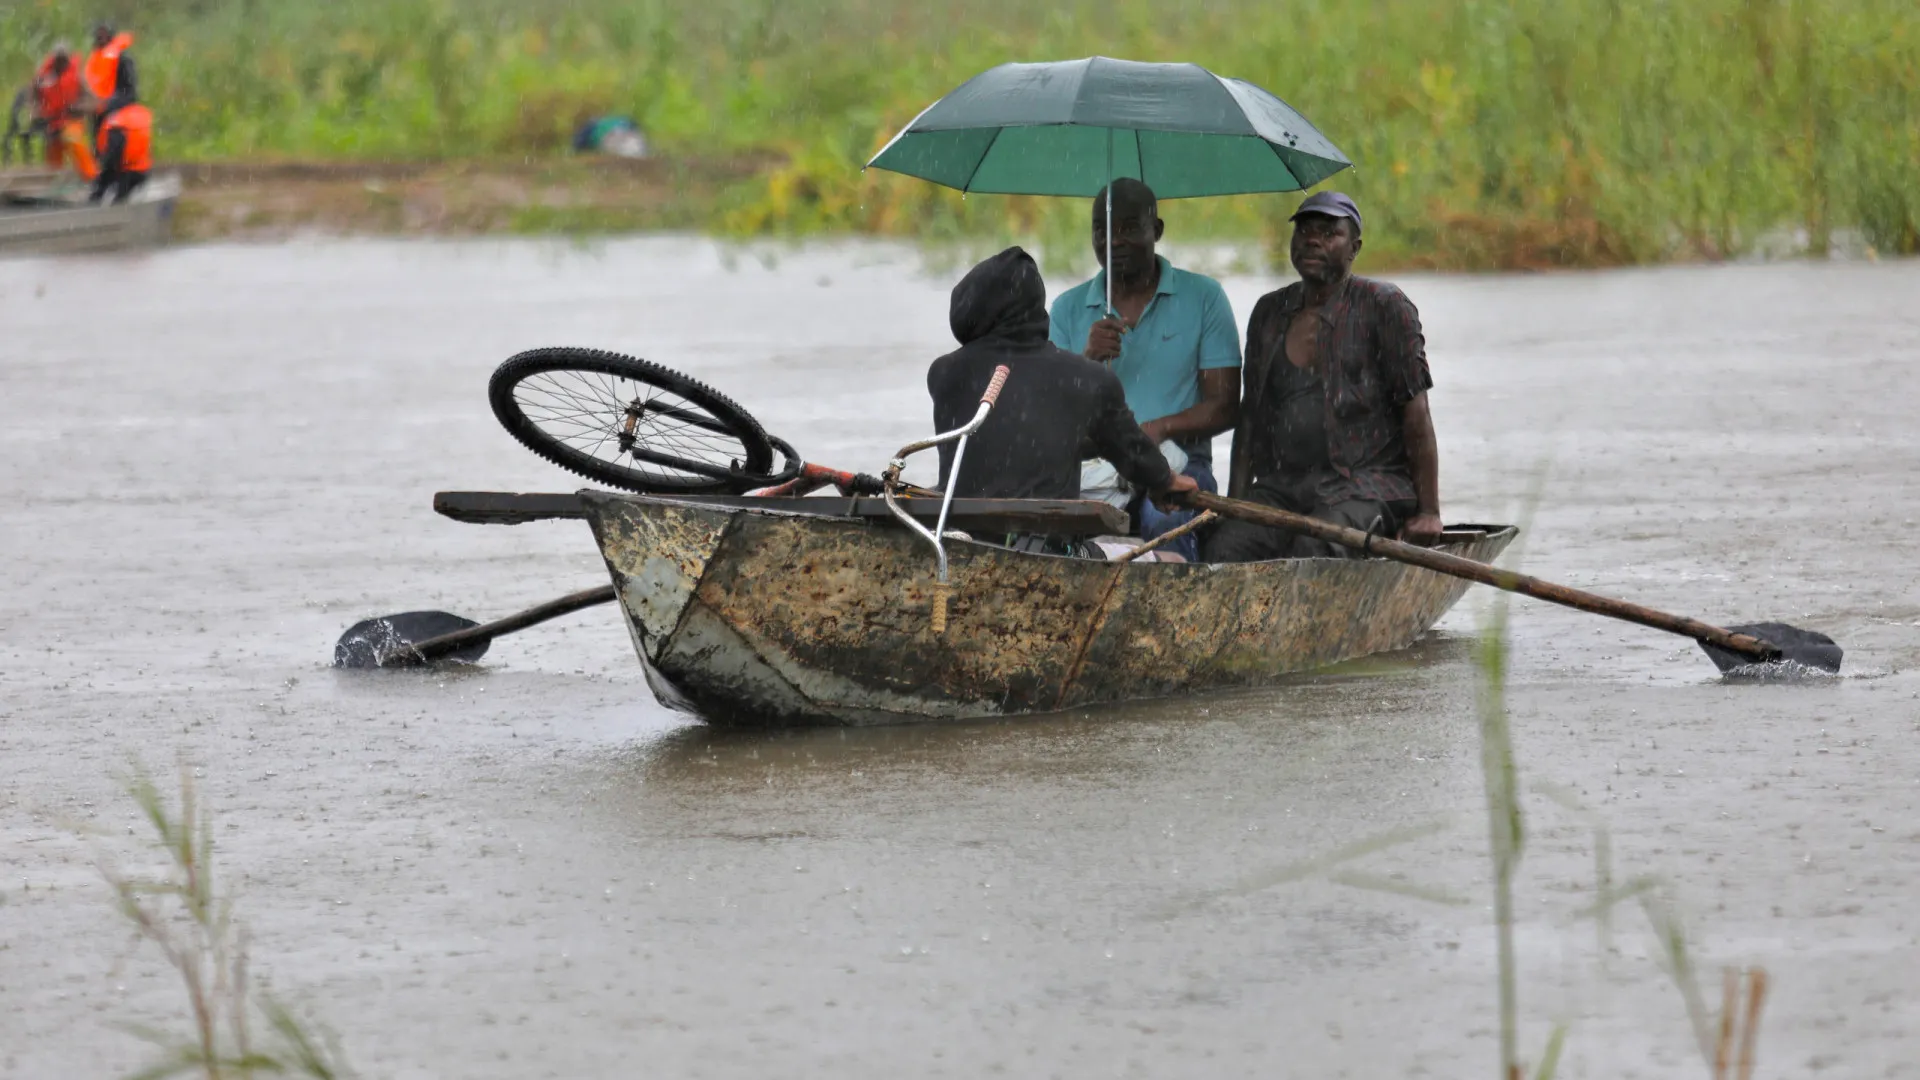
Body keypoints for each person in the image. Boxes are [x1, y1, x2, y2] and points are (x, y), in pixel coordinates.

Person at [1205, 191, 1444, 562]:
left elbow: (1417, 414)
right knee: (1223, 546)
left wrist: (1429, 512)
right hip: (1282, 490)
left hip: (1365, 485)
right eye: (1304, 232)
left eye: (1329, 233)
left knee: (1316, 547)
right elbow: (1249, 419)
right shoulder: (1270, 312)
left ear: (1354, 248)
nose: (1312, 240)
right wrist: (1237, 505)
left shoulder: (1383, 305)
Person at [929, 246, 1198, 554]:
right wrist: (1165, 479)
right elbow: (1131, 451)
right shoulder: (1087, 378)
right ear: (1036, 306)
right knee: (1173, 559)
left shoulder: (943, 374)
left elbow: (1014, 436)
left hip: (962, 549)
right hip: (1052, 555)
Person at [1048, 178, 1240, 560]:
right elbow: (1050, 412)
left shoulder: (1204, 298)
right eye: (1102, 230)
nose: (1114, 241)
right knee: (1052, 519)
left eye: (1129, 228)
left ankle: (1174, 612)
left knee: (1166, 519)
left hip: (1180, 461)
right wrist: (1086, 362)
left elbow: (1225, 405)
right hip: (1092, 465)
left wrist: (1159, 429)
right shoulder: (1068, 309)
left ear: (1158, 230)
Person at [31, 44, 97, 180]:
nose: (61, 64)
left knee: (73, 139)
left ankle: (91, 177)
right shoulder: (42, 76)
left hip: (71, 120)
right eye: (58, 60)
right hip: (51, 122)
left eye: (64, 60)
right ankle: (54, 181)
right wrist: (36, 112)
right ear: (53, 60)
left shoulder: (77, 77)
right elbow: (33, 98)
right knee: (53, 153)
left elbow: (92, 100)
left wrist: (79, 107)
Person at [90, 94, 151, 204]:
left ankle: (96, 210)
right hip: (142, 172)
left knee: (103, 191)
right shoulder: (138, 117)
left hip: (125, 173)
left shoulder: (116, 124)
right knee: (114, 190)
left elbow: (114, 153)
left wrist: (103, 167)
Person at [83, 22, 137, 135]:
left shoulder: (122, 58)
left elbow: (129, 88)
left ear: (111, 36)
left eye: (104, 35)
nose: (101, 38)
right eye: (99, 36)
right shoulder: (96, 58)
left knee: (103, 113)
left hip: (120, 98)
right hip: (100, 101)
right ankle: (97, 147)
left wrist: (109, 101)